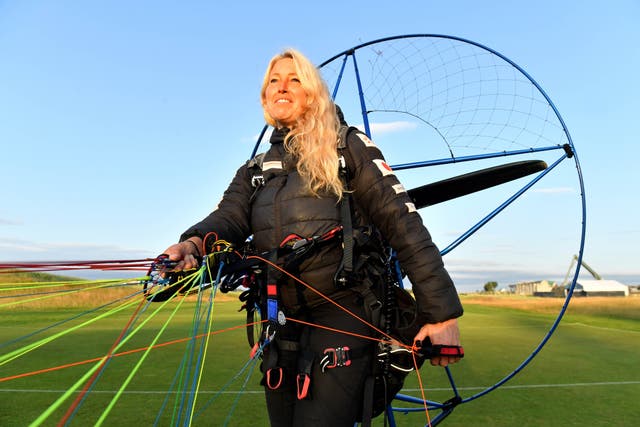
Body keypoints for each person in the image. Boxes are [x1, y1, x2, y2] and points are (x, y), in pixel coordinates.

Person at [161, 48, 463, 426]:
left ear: (313, 93)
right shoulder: (254, 171)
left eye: (294, 79)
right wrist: (190, 244)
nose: (281, 87)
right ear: (264, 97)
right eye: (273, 80)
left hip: (344, 311)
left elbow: (402, 222)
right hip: (280, 321)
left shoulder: (347, 147)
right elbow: (228, 219)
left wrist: (441, 312)